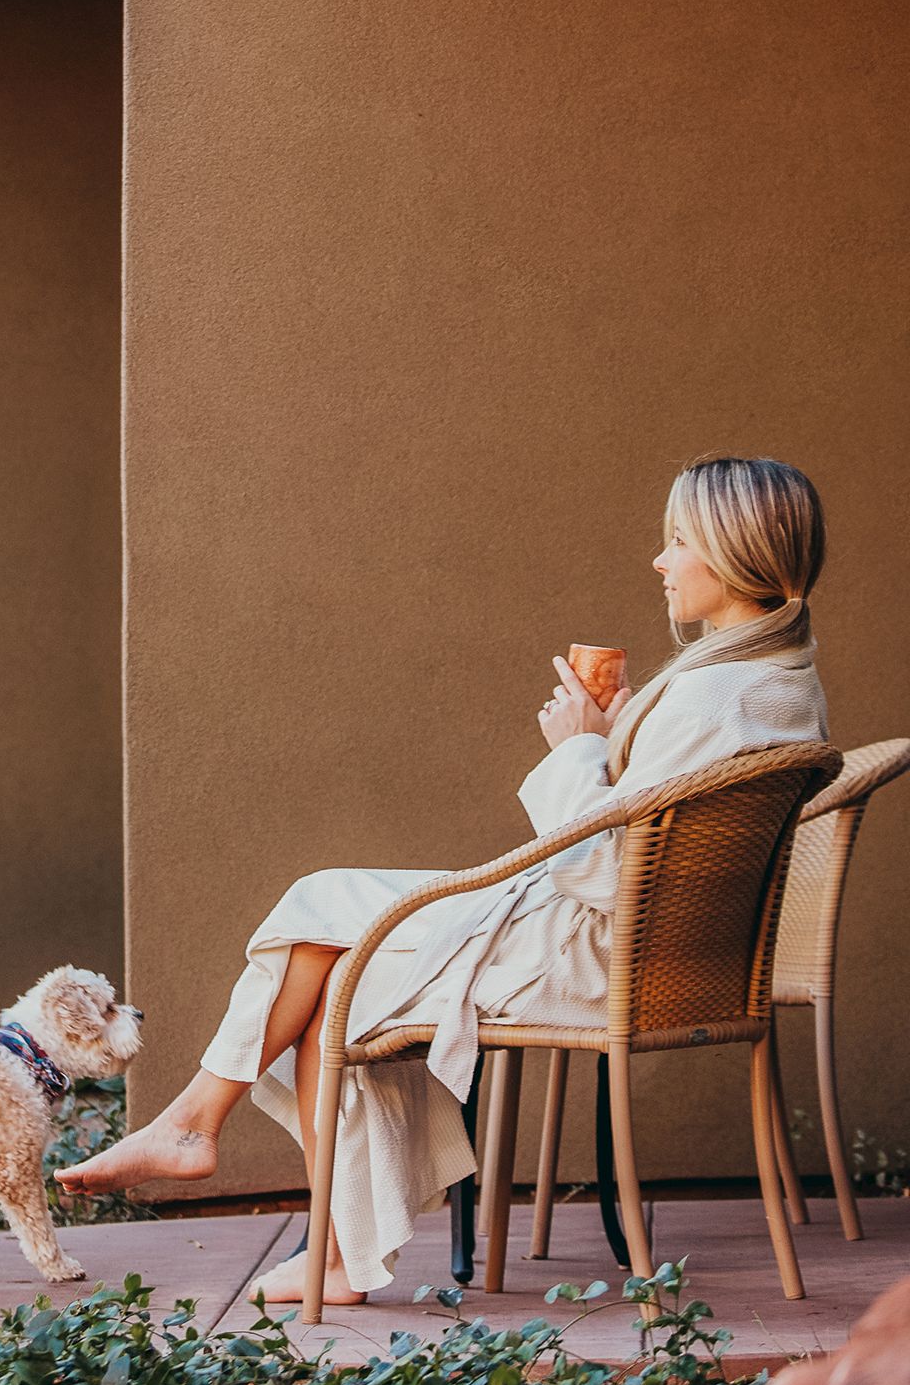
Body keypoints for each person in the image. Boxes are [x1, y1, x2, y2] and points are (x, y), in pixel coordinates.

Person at [56, 455, 830, 1304]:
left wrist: (577, 745)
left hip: (589, 955)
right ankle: (209, 1137)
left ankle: (287, 1209)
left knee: (329, 969)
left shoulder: (716, 697)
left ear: (731, 551)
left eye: (677, 539)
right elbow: (651, 836)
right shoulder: (774, 680)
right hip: (628, 947)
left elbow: (608, 873)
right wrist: (614, 737)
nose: (660, 559)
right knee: (317, 908)